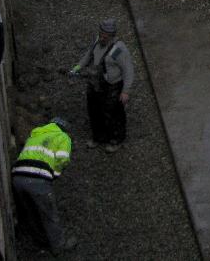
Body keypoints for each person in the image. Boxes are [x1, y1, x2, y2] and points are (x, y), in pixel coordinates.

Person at [12, 117, 77, 254]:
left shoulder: (36, 134)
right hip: (37, 180)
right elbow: (62, 159)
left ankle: (40, 240)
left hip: (17, 176)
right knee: (49, 213)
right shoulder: (63, 137)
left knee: (30, 211)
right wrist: (55, 174)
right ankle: (59, 245)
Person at [70, 19, 134, 152]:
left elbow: (128, 70)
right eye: (101, 33)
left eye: (106, 35)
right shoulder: (97, 41)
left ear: (112, 35)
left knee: (113, 114)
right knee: (94, 111)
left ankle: (116, 140)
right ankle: (98, 137)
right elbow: (88, 55)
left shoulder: (117, 50)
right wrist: (78, 67)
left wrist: (125, 91)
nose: (102, 37)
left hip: (112, 87)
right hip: (95, 83)